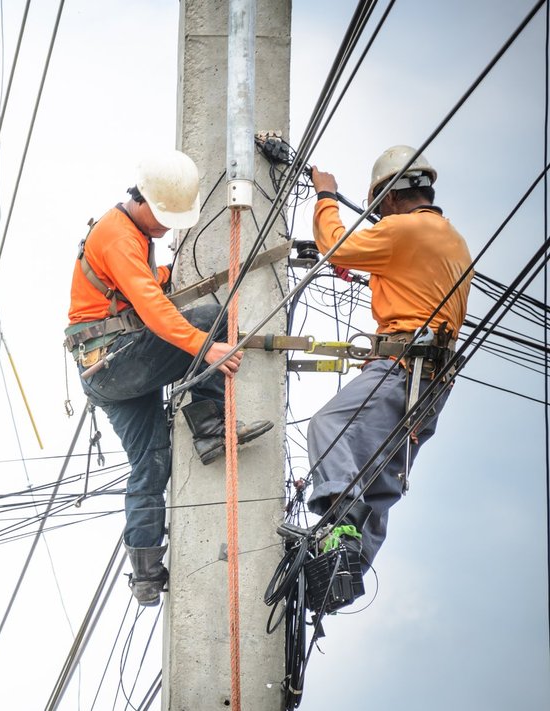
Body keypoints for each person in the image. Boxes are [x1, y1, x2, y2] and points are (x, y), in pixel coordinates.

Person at [64, 149, 272, 606]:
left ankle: (145, 573)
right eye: (162, 216)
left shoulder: (129, 234)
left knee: (152, 463)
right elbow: (154, 310)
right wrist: (205, 345)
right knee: (211, 317)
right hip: (116, 361)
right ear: (141, 201)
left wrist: (162, 273)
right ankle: (210, 426)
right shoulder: (119, 236)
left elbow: (138, 285)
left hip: (105, 371)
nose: (165, 226)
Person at [306, 145, 472, 570]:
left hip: (401, 367)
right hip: (433, 383)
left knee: (331, 425)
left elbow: (334, 246)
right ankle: (347, 570)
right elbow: (409, 282)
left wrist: (325, 195)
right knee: (381, 477)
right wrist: (371, 267)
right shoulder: (452, 240)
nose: (381, 217)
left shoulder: (404, 230)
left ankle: (339, 521)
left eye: (381, 208)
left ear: (393, 196)